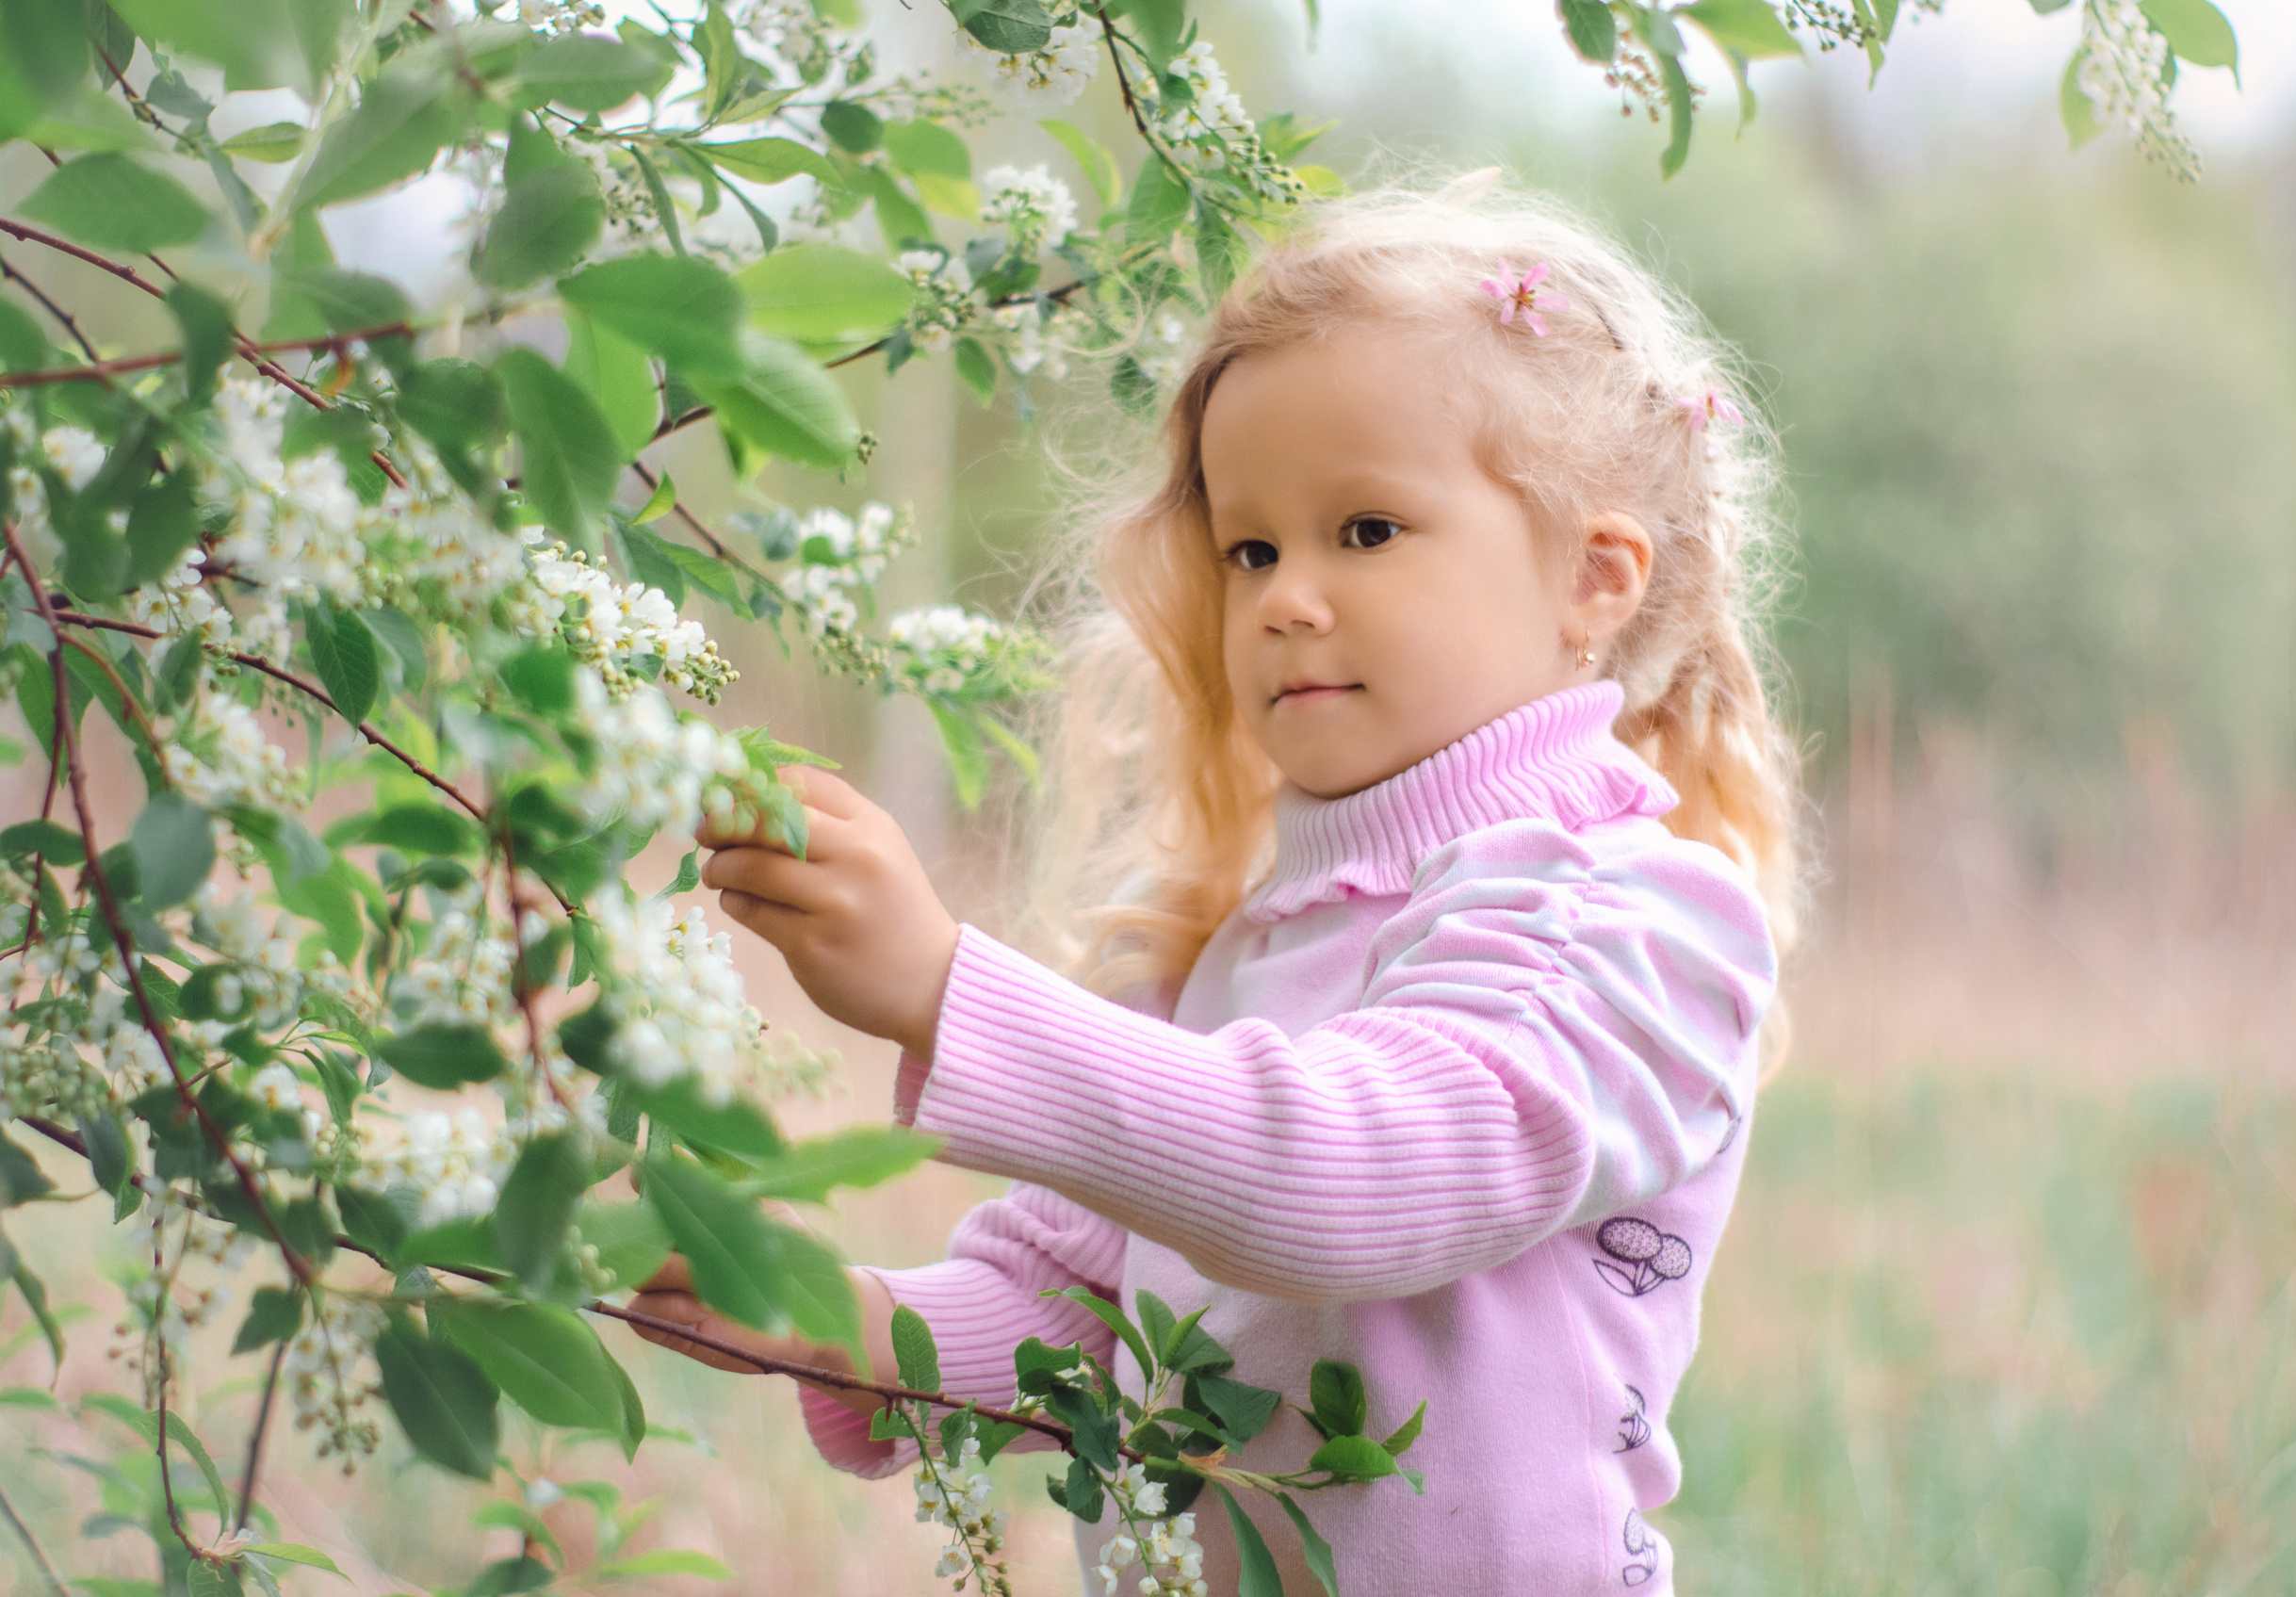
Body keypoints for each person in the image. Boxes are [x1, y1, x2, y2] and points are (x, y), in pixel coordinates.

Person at [629, 175, 1799, 1595]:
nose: (1286, 596)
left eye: (1365, 530)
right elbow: (1092, 1311)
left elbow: (1339, 1179)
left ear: (1594, 578)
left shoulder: (1625, 915)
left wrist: (946, 990)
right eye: (1251, 547)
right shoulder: (1229, 941)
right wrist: (835, 1321)